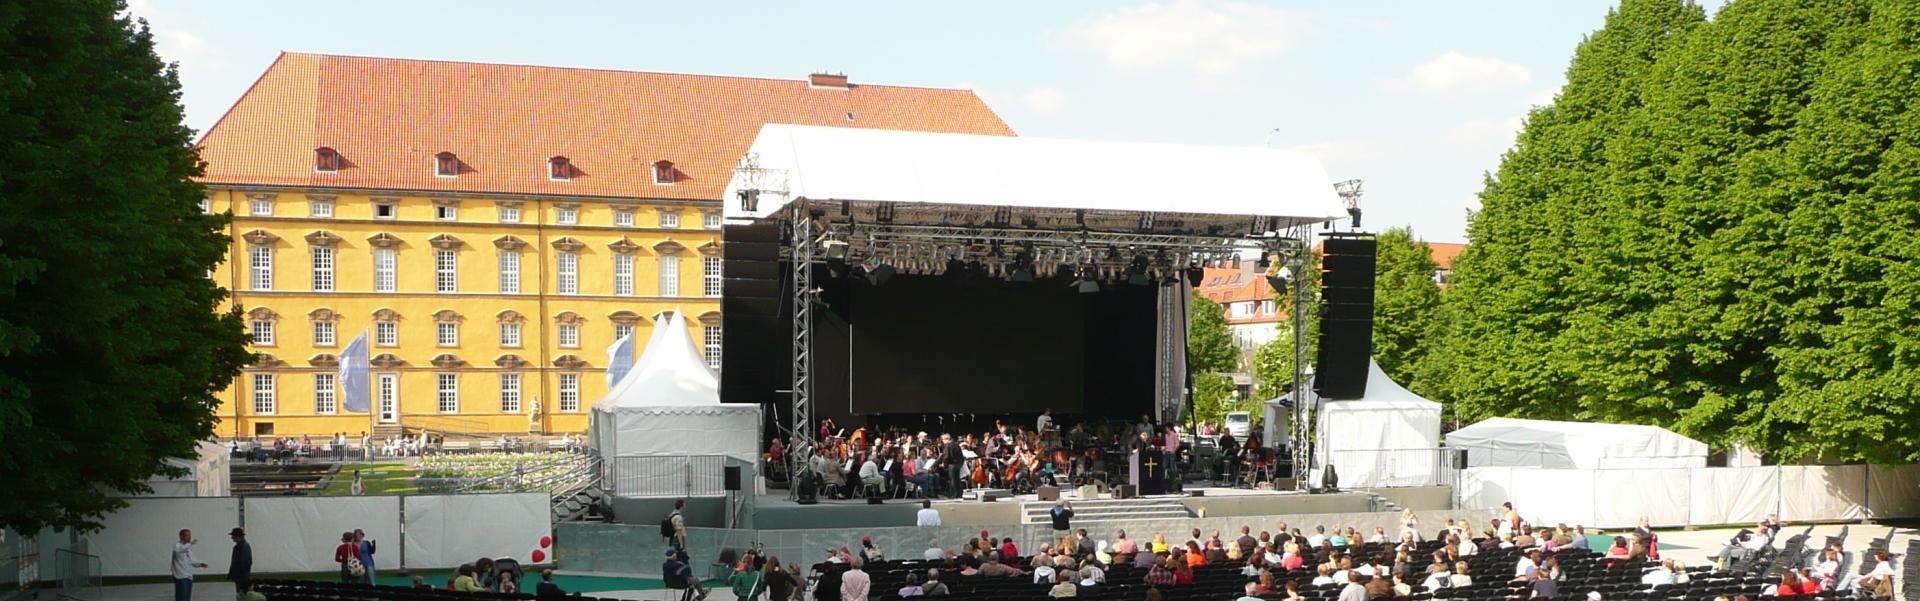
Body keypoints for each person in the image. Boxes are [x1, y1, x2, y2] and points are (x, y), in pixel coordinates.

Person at [170, 529, 207, 601]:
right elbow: (180, 550)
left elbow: (191, 560)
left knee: (187, 597)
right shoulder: (177, 546)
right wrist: (190, 544)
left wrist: (199, 564)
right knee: (181, 597)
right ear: (181, 536)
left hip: (188, 575)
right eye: (187, 535)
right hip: (180, 576)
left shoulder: (188, 548)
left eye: (190, 535)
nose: (189, 537)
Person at [228, 528, 253, 596]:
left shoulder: (244, 547)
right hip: (239, 577)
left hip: (242, 578)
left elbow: (245, 563)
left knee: (243, 595)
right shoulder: (238, 547)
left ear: (237, 536)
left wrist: (244, 578)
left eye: (233, 536)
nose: (232, 537)